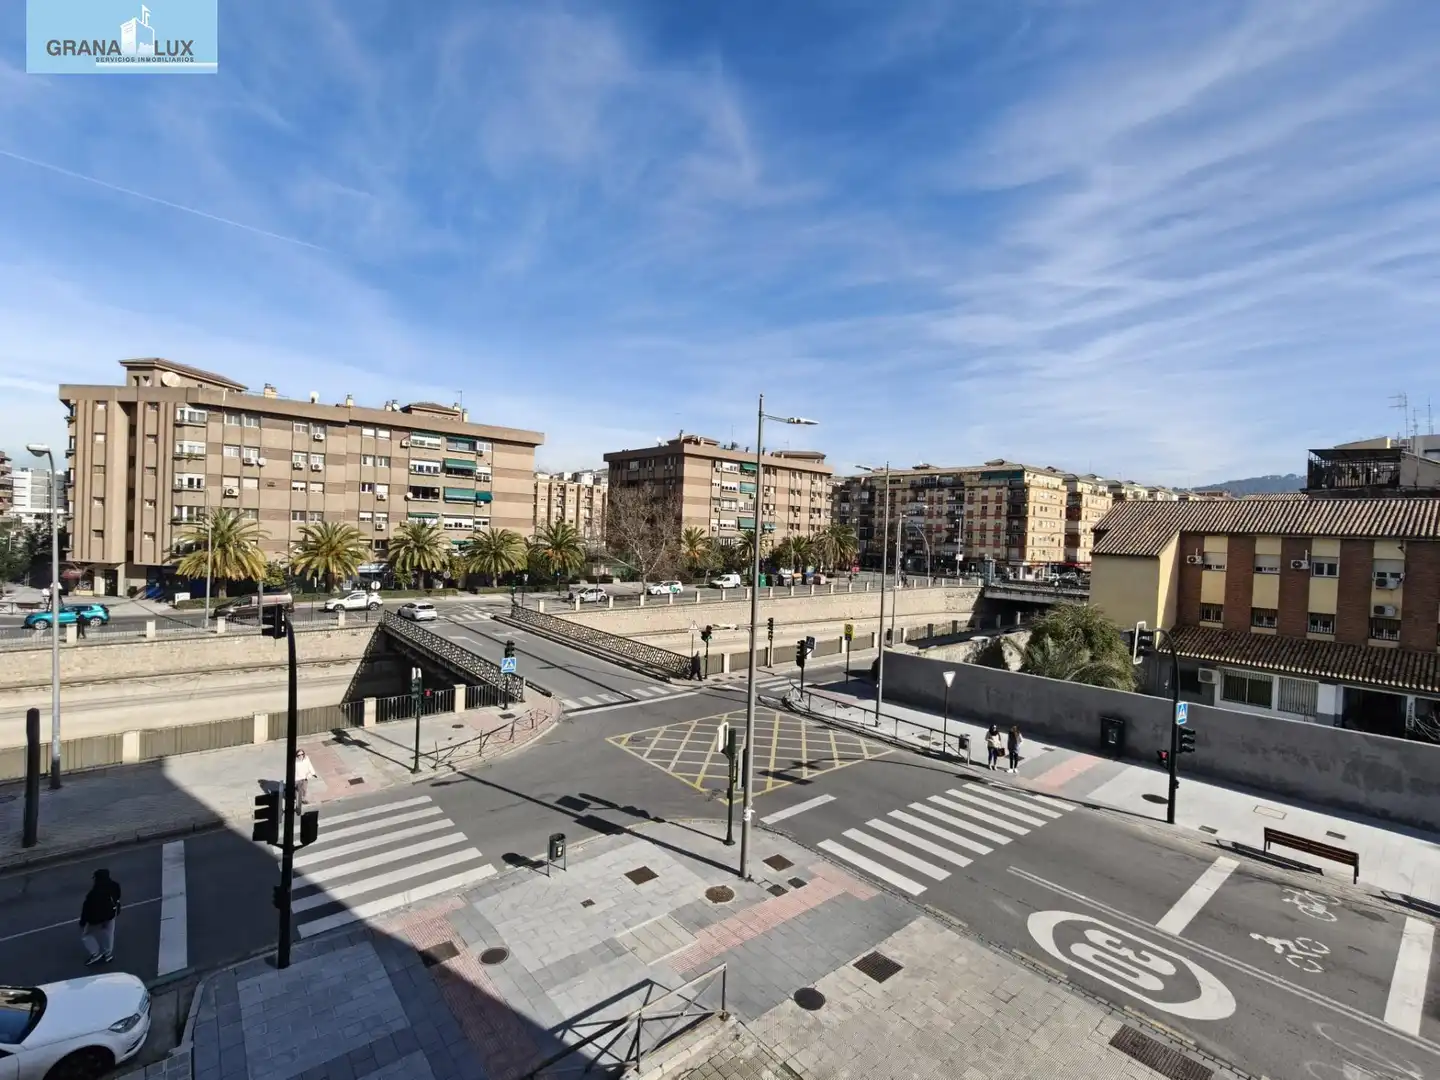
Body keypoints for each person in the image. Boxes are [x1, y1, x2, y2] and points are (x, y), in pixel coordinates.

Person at [79, 868, 122, 965]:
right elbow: (118, 896)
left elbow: (87, 909)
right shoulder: (115, 885)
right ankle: (108, 954)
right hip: (111, 915)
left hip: (96, 919)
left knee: (86, 935)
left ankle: (95, 953)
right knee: (109, 934)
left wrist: (83, 922)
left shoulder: (93, 894)